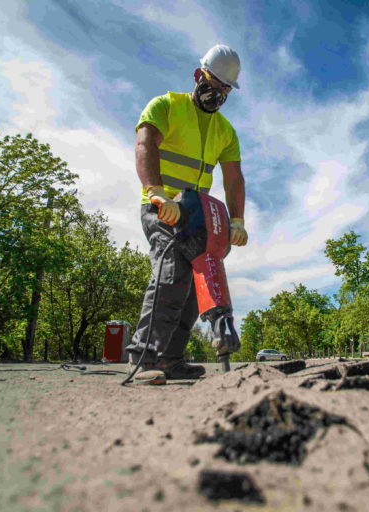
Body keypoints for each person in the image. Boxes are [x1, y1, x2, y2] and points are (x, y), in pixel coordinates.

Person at [126, 45, 248, 385]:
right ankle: (143, 357)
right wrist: (156, 191)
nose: (219, 94)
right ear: (199, 76)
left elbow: (234, 178)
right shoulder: (165, 105)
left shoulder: (226, 131)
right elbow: (145, 145)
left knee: (198, 284)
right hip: (162, 205)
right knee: (171, 272)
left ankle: (171, 360)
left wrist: (236, 220)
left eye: (226, 89)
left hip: (197, 216)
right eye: (214, 84)